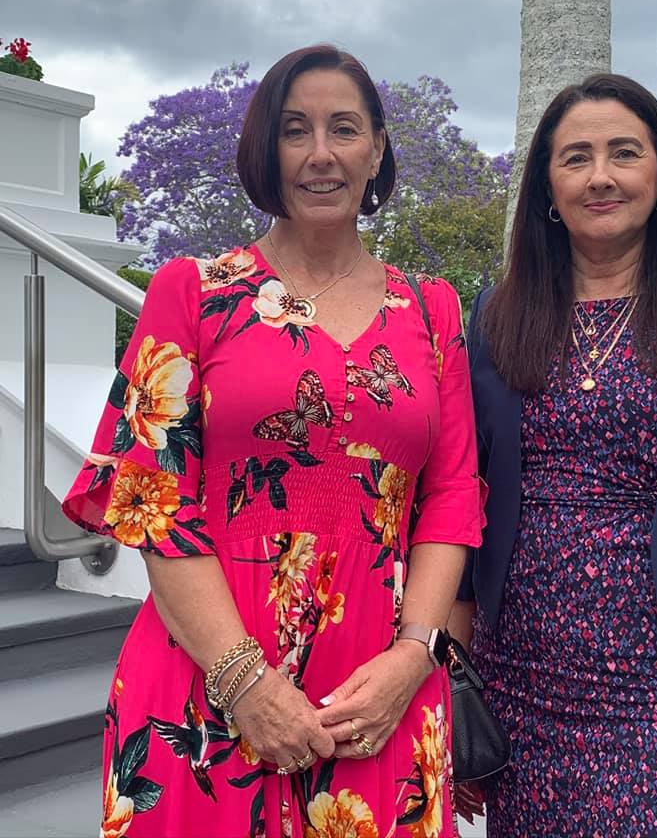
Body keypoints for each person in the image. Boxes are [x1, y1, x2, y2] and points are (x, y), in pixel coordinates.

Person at [62, 44, 483, 837]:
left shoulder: (434, 313)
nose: (320, 154)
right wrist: (244, 682)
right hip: (205, 683)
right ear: (268, 148)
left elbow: (453, 495)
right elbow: (154, 499)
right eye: (296, 131)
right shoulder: (192, 293)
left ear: (378, 149)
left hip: (377, 699)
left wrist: (413, 658)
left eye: (344, 129)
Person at [452, 73, 657, 837]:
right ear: (547, 187)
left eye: (623, 153)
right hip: (522, 678)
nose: (600, 176)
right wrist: (455, 671)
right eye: (575, 158)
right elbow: (465, 500)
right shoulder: (498, 315)